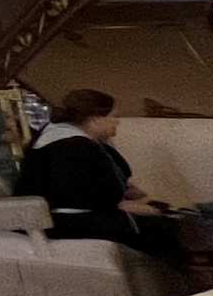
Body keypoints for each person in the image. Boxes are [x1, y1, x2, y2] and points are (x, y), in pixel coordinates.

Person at [17, 89, 180, 257]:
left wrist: (136, 196)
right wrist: (139, 208)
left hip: (71, 216)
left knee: (164, 221)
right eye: (113, 116)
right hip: (63, 222)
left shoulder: (76, 141)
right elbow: (96, 199)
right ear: (94, 119)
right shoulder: (73, 147)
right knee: (161, 230)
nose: (117, 122)